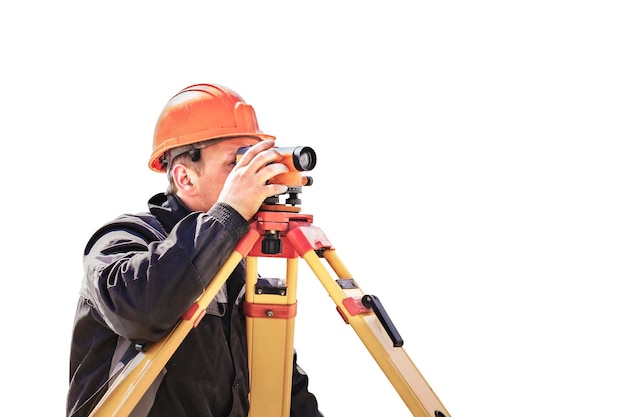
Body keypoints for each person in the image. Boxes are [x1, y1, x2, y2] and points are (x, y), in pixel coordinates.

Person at [67, 83, 323, 417]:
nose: (253, 177)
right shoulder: (123, 239)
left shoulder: (237, 268)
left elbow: (286, 392)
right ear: (185, 178)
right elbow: (140, 310)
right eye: (237, 164)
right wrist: (227, 215)